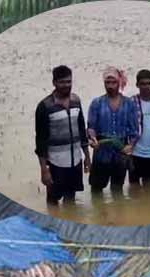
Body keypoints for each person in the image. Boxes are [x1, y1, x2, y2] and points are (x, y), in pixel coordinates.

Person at [34, 65, 91, 205]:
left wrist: (87, 157)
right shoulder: (45, 106)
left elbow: (82, 130)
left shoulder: (76, 101)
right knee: (53, 201)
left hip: (75, 161)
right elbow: (41, 141)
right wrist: (44, 170)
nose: (66, 85)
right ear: (54, 82)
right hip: (55, 164)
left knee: (70, 201)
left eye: (69, 81)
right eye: (62, 82)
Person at [87, 66, 139, 194]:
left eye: (113, 82)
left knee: (117, 190)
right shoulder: (97, 103)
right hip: (101, 153)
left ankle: (118, 214)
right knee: (96, 189)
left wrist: (130, 146)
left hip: (120, 155)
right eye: (107, 82)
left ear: (119, 82)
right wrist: (92, 139)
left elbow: (134, 130)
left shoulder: (129, 103)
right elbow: (91, 127)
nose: (110, 86)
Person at [129, 69, 150, 185]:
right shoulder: (131, 102)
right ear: (137, 85)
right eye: (143, 84)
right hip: (135, 153)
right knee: (134, 190)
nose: (146, 87)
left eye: (149, 83)